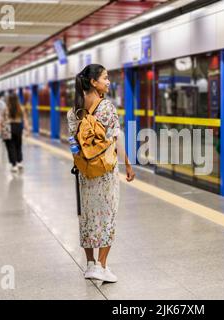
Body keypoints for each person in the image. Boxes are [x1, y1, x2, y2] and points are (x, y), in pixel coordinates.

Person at [67, 64, 135, 283]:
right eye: (105, 78)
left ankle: (89, 264)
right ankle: (102, 266)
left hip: (84, 172)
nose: (108, 81)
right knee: (108, 215)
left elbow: (73, 143)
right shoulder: (107, 107)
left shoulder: (74, 111)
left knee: (86, 215)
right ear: (94, 82)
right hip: (105, 171)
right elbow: (117, 139)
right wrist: (128, 165)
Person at [1, 92, 30, 173]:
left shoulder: (6, 108)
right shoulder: (21, 108)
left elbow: (2, 120)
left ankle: (14, 165)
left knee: (10, 146)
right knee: (18, 145)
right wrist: (27, 130)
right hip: (18, 127)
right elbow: (25, 119)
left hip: (8, 127)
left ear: (9, 100)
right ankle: (19, 162)